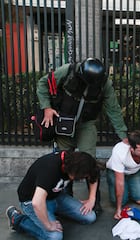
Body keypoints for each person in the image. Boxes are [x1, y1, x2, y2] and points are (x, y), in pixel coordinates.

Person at [36, 57, 128, 213]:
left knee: (89, 160)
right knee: (65, 158)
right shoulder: (67, 71)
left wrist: (123, 134)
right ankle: (65, 198)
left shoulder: (104, 83)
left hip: (87, 123)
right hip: (64, 120)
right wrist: (46, 107)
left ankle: (94, 200)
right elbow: (43, 84)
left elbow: (113, 108)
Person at [6, 151, 100, 240]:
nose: (83, 178)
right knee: (54, 236)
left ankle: (52, 213)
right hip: (31, 201)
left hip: (55, 197)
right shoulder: (50, 169)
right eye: (82, 177)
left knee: (90, 217)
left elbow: (93, 175)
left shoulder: (75, 160)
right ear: (73, 171)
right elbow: (37, 202)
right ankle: (18, 219)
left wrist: (92, 199)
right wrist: (49, 226)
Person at [106, 130, 140, 220]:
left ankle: (130, 188)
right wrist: (118, 209)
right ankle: (126, 191)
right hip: (116, 172)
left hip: (136, 171)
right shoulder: (119, 151)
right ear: (131, 148)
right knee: (120, 202)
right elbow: (120, 182)